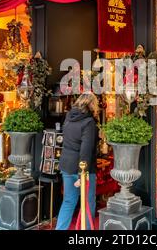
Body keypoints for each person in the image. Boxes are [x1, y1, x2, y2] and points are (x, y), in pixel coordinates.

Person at [56, 92, 99, 230]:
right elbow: (85, 150)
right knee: (87, 202)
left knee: (68, 201)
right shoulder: (89, 122)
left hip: (67, 164)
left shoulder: (68, 117)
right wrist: (82, 172)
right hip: (83, 168)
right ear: (91, 104)